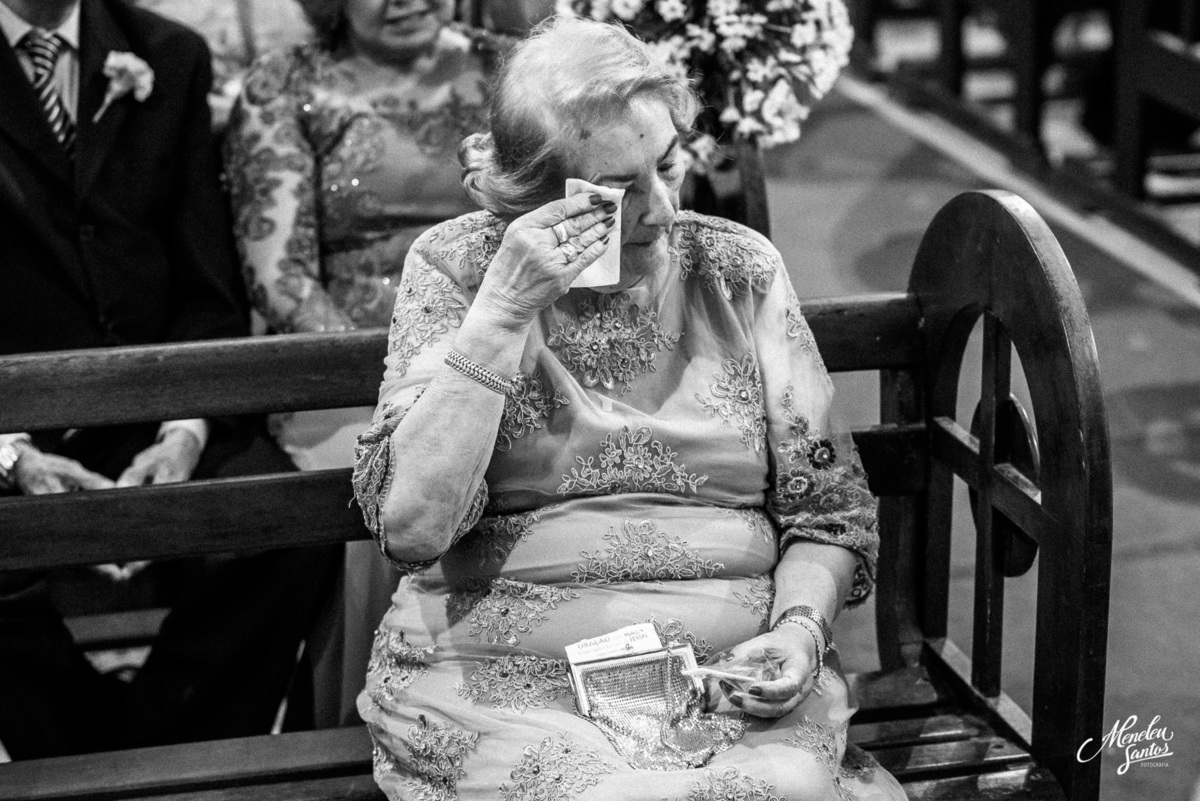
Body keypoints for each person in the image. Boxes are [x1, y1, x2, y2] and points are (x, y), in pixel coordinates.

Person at [351, 16, 907, 800]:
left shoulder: (737, 269)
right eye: (618, 191)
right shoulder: (459, 271)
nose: (663, 208)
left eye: (667, 164)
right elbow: (414, 527)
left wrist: (800, 630)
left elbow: (828, 512)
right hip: (507, 683)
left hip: (725, 682)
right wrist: (503, 314)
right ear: (535, 197)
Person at [0, 0, 334, 758]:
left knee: (279, 530)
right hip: (11, 417)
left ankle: (158, 757)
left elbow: (206, 275)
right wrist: (13, 453)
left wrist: (183, 430)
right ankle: (86, 761)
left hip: (156, 400)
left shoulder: (167, 54)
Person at [224, 0, 496, 726]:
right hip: (353, 377)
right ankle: (370, 730)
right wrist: (411, 383)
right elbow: (280, 280)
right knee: (393, 479)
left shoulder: (508, 70)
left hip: (511, 356)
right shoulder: (284, 84)